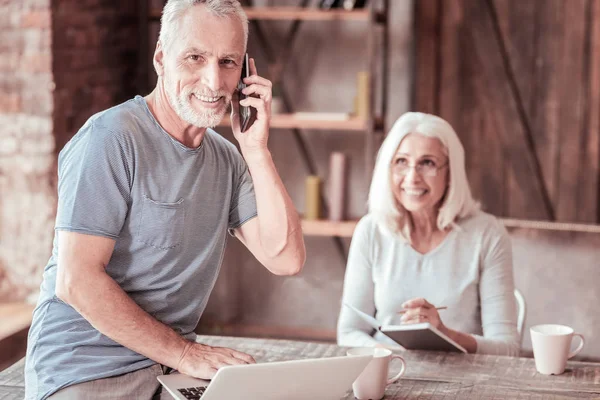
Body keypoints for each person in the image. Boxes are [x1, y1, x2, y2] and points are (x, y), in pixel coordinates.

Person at [24, 1, 306, 399]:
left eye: (228, 62)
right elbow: (77, 281)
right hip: (85, 371)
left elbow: (286, 258)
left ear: (245, 74)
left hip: (169, 372)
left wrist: (257, 150)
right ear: (161, 59)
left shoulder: (227, 159)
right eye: (195, 57)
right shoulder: (110, 139)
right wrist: (185, 352)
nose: (213, 81)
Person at [337, 112, 519, 356]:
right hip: (388, 371)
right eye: (401, 161)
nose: (412, 178)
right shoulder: (370, 230)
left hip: (464, 380)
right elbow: (348, 333)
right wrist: (392, 356)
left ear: (450, 172)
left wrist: (443, 333)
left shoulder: (488, 234)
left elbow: (507, 349)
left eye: (428, 163)